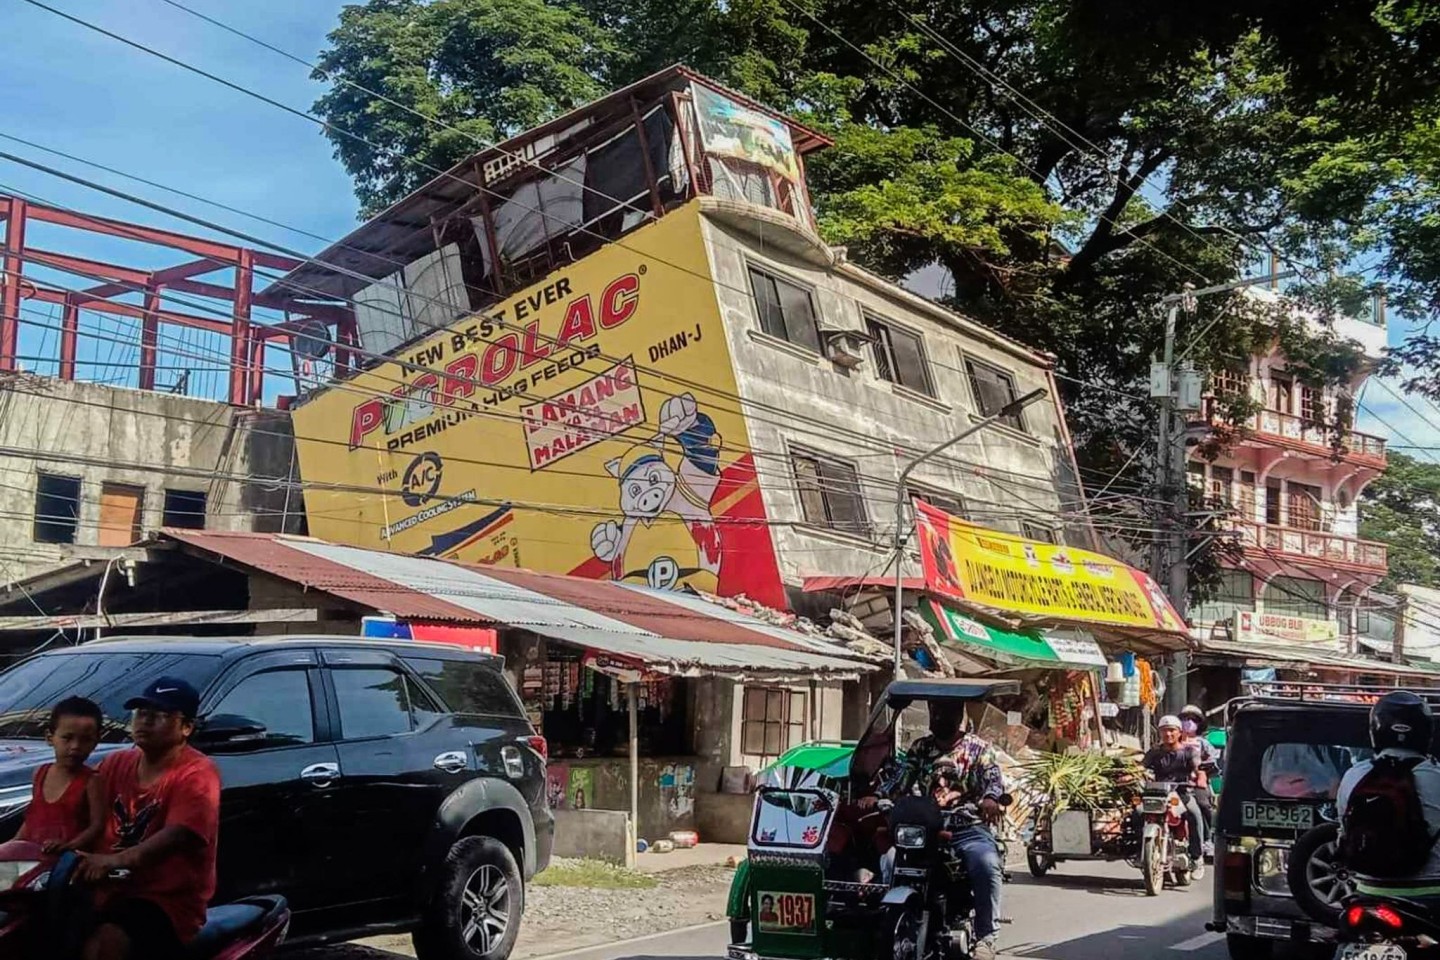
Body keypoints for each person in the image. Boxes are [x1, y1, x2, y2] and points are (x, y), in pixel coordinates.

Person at [75, 677, 221, 960]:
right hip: (105, 889)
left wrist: (114, 860)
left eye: (160, 715)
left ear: (186, 727)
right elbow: (78, 806)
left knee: (106, 944)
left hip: (163, 901)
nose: (145, 721)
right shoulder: (116, 763)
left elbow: (177, 834)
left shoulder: (197, 773)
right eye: (141, 713)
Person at [898, 700, 1006, 960]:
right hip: (925, 828)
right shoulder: (920, 747)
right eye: (934, 711)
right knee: (892, 859)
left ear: (958, 715)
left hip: (968, 826)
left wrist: (991, 798)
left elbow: (993, 779)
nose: (938, 717)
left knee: (986, 864)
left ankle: (986, 937)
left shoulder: (980, 749)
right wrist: (875, 794)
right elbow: (901, 777)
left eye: (944, 712)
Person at [1336, 691, 1440, 904]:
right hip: (1430, 893)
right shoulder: (1436, 775)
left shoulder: (1354, 775)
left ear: (1376, 730)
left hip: (1367, 892)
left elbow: (1343, 825)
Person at [17, 696, 104, 855]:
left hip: (67, 863)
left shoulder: (91, 781)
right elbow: (33, 819)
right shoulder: (40, 773)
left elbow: (97, 827)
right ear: (50, 738)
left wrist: (70, 845)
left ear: (96, 742)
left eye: (85, 740)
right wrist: (13, 845)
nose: (75, 747)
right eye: (67, 738)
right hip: (33, 859)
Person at [1142, 715, 1206, 878]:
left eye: (1171, 730)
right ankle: (1140, 852)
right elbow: (1140, 767)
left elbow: (1199, 767)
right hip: (1158, 795)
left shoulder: (1188, 752)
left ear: (1179, 733)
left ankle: (1196, 857)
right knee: (1136, 813)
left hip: (1181, 795)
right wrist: (1130, 774)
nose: (1168, 734)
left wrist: (1200, 777)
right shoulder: (1155, 752)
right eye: (1164, 731)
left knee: (1194, 815)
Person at [1178, 704, 1218, 860]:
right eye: (1185, 719)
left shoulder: (1203, 743)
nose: (1188, 722)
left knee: (1202, 805)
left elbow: (1214, 762)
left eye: (1192, 720)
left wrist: (1202, 772)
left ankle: (1207, 840)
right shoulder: (1174, 741)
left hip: (1197, 783)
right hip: (1176, 782)